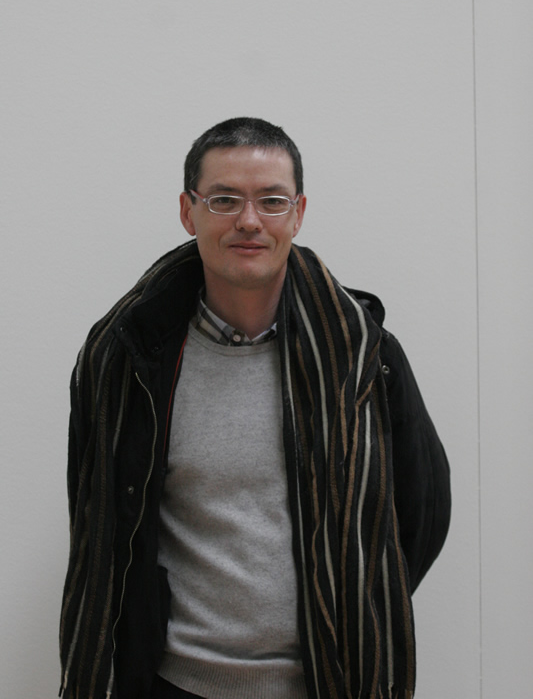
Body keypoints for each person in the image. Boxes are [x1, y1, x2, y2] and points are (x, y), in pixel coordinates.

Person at [59, 117, 451, 699]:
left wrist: (355, 605)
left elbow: (422, 512)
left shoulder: (362, 355)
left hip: (327, 682)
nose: (249, 220)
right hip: (172, 683)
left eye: (272, 201)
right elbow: (99, 520)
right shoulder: (126, 356)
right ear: (189, 212)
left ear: (298, 213)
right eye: (224, 200)